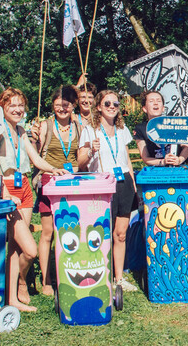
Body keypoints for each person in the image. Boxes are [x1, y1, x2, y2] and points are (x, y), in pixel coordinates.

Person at [0, 88, 69, 311]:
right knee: (30, 250)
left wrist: (53, 169)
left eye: (20, 105)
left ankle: (14, 295)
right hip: (8, 190)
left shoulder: (20, 131)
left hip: (24, 187)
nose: (17, 109)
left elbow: (35, 158)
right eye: (12, 105)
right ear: (2, 107)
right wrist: (3, 194)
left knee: (17, 249)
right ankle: (17, 286)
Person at [77, 90, 139, 292]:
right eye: (107, 104)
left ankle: (119, 278)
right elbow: (80, 163)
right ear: (98, 107)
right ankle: (102, 275)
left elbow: (126, 157)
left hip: (124, 183)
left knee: (120, 234)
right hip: (102, 183)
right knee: (101, 233)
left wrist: (132, 180)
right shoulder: (90, 130)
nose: (112, 107)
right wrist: (90, 151)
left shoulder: (122, 130)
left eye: (115, 104)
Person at [33, 86, 83, 296]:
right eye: (59, 104)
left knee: (73, 229)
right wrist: (34, 138)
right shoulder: (44, 125)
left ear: (73, 106)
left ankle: (73, 271)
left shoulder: (79, 125)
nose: (62, 108)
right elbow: (34, 156)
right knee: (48, 232)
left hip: (73, 181)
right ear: (52, 104)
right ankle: (46, 280)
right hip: (49, 180)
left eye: (67, 104)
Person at [133, 90, 188, 166]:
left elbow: (186, 147)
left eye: (159, 101)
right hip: (156, 172)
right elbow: (145, 157)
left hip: (177, 170)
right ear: (144, 108)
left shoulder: (174, 123)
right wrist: (163, 162)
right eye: (151, 101)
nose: (155, 103)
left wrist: (179, 160)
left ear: (163, 108)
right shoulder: (140, 128)